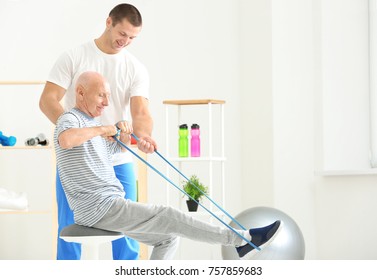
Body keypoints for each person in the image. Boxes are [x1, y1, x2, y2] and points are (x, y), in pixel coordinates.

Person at [54, 71, 282, 260]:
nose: (106, 102)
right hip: (100, 208)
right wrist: (104, 129)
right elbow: (66, 140)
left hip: (110, 205)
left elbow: (115, 150)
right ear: (81, 92)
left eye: (108, 96)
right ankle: (241, 239)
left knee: (167, 238)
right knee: (169, 215)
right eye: (101, 95)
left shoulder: (91, 124)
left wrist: (124, 133)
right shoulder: (70, 120)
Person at [39, 3, 155, 260]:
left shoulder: (135, 68)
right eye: (122, 34)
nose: (125, 41)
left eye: (132, 38)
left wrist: (144, 137)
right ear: (108, 22)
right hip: (77, 161)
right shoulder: (74, 56)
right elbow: (48, 100)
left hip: (117, 160)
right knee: (69, 230)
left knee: (128, 230)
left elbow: (141, 112)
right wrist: (79, 132)